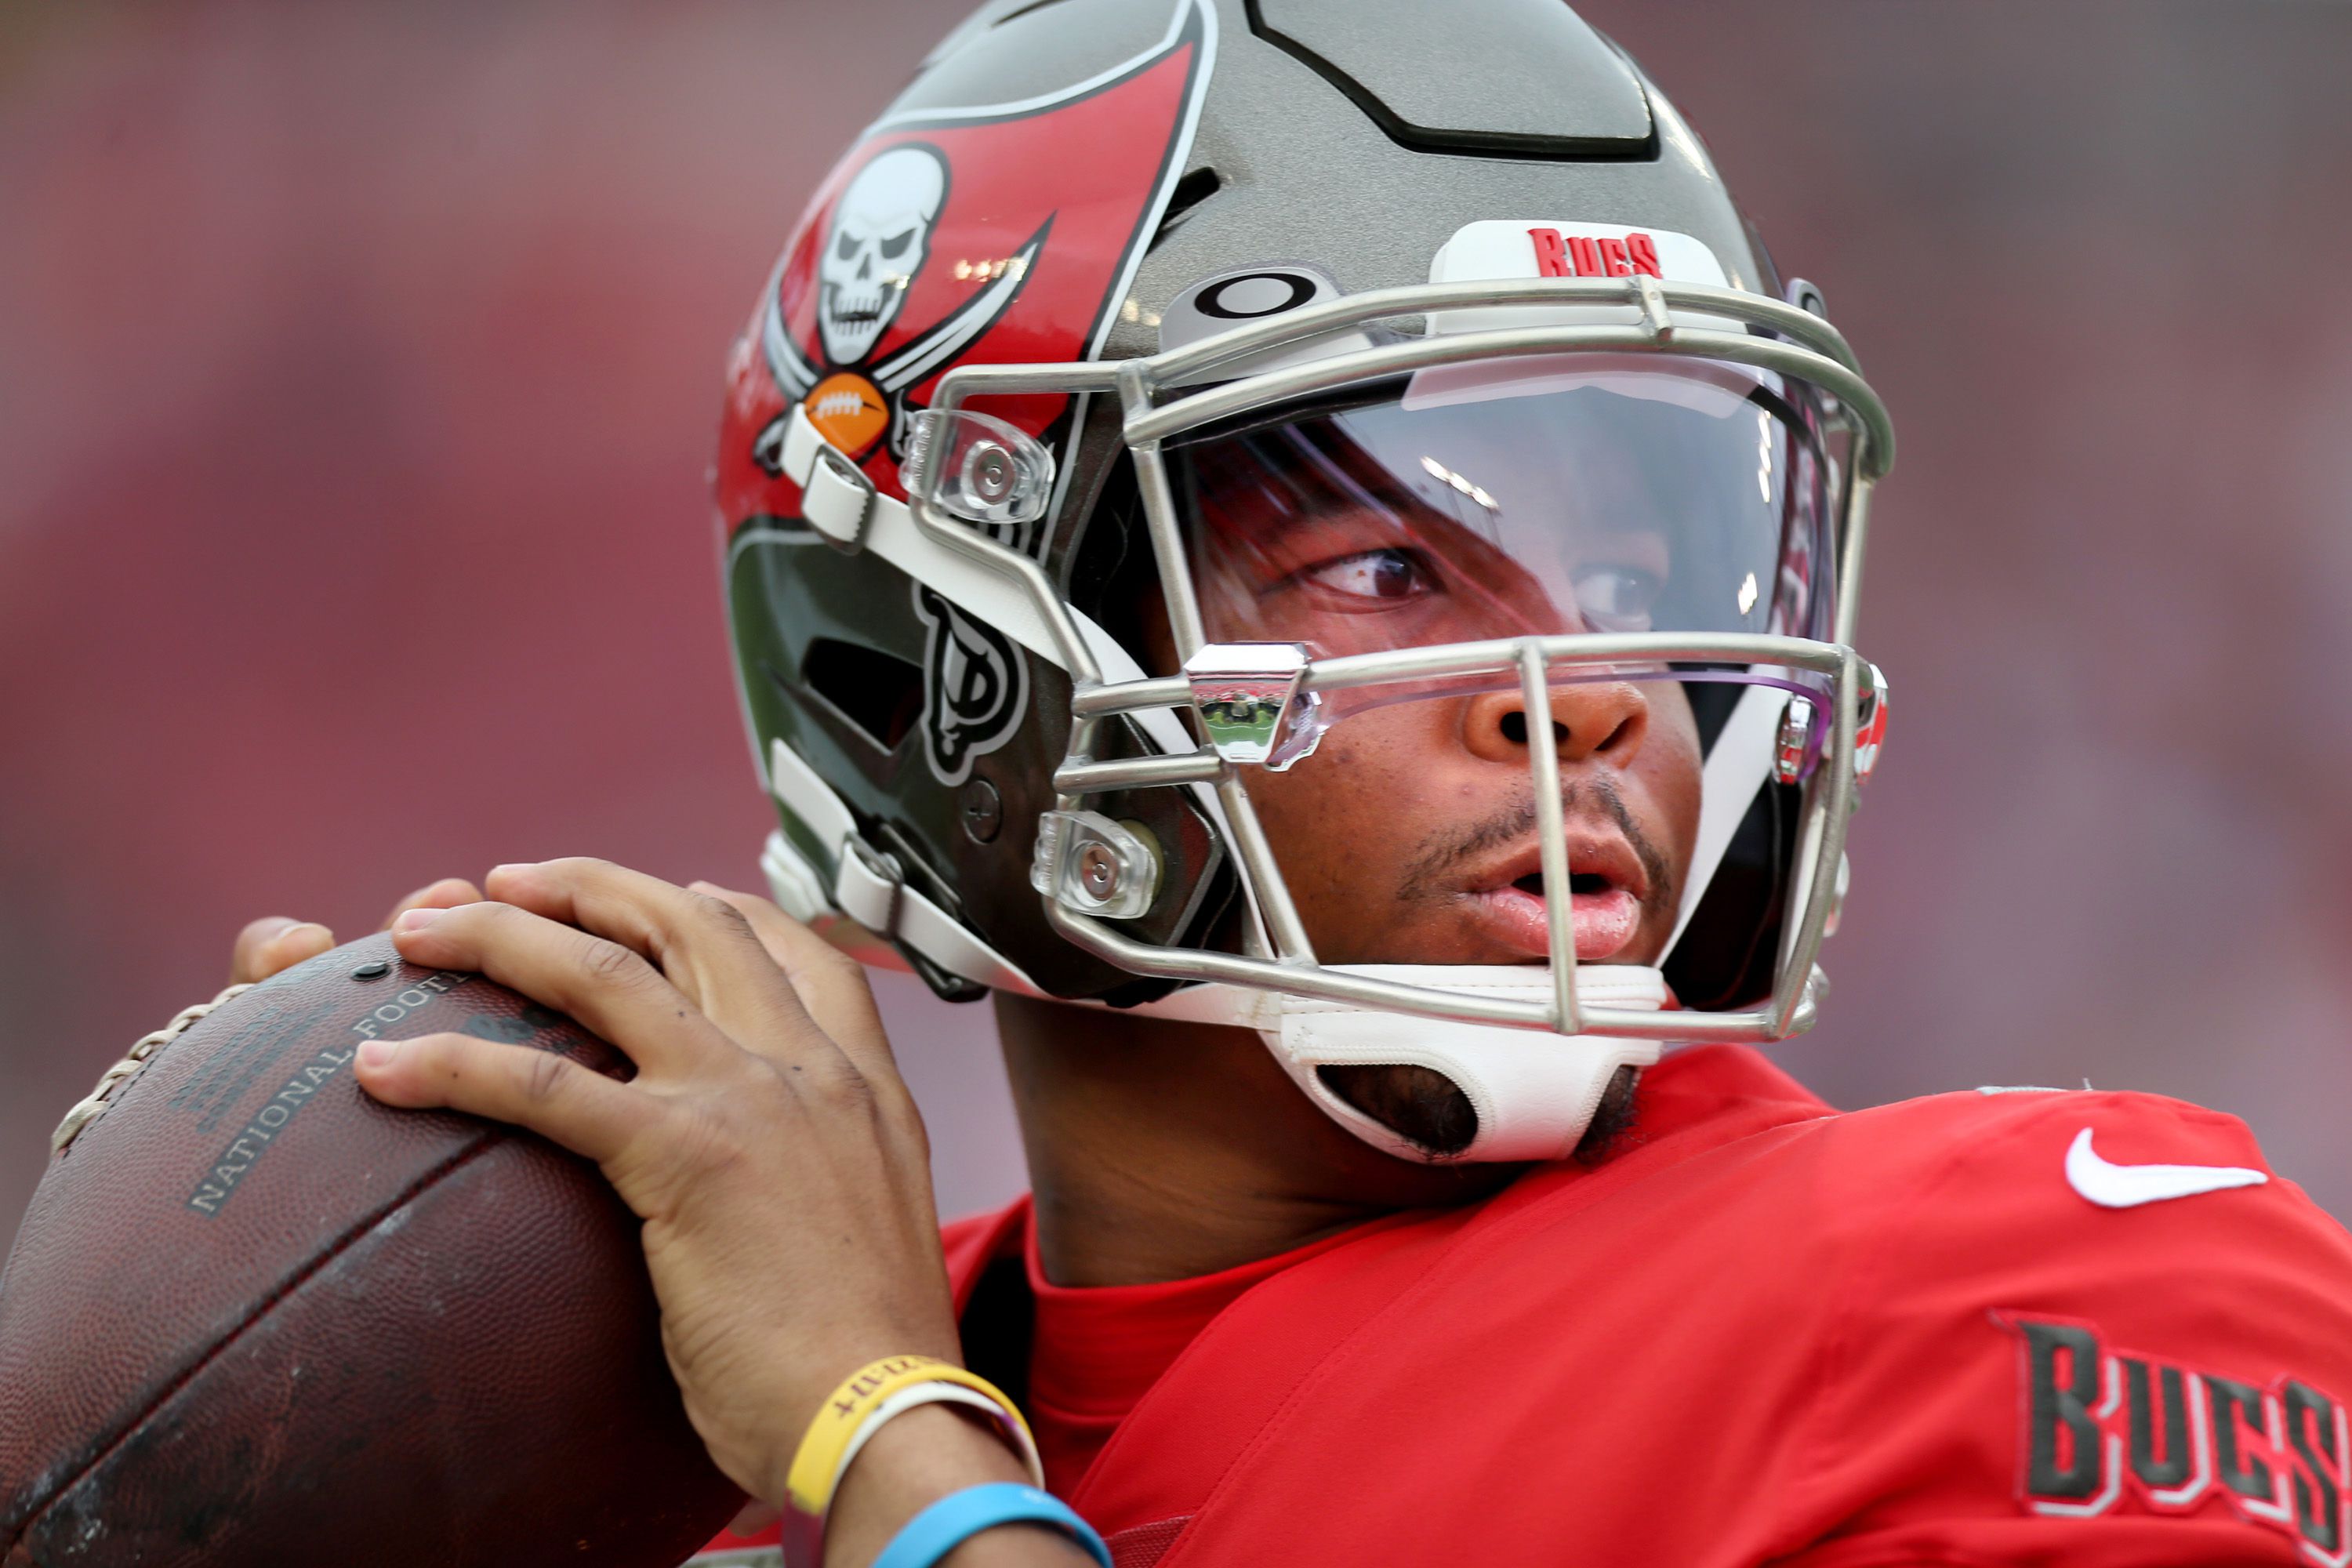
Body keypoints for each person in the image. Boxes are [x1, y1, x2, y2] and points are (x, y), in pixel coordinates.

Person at [230, 2, 2352, 1563]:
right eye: (1388, 562)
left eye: (1641, 567)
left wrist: (901, 1462)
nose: (1599, 692)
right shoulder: (654, 1409)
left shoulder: (2017, 1285)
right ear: (942, 660)